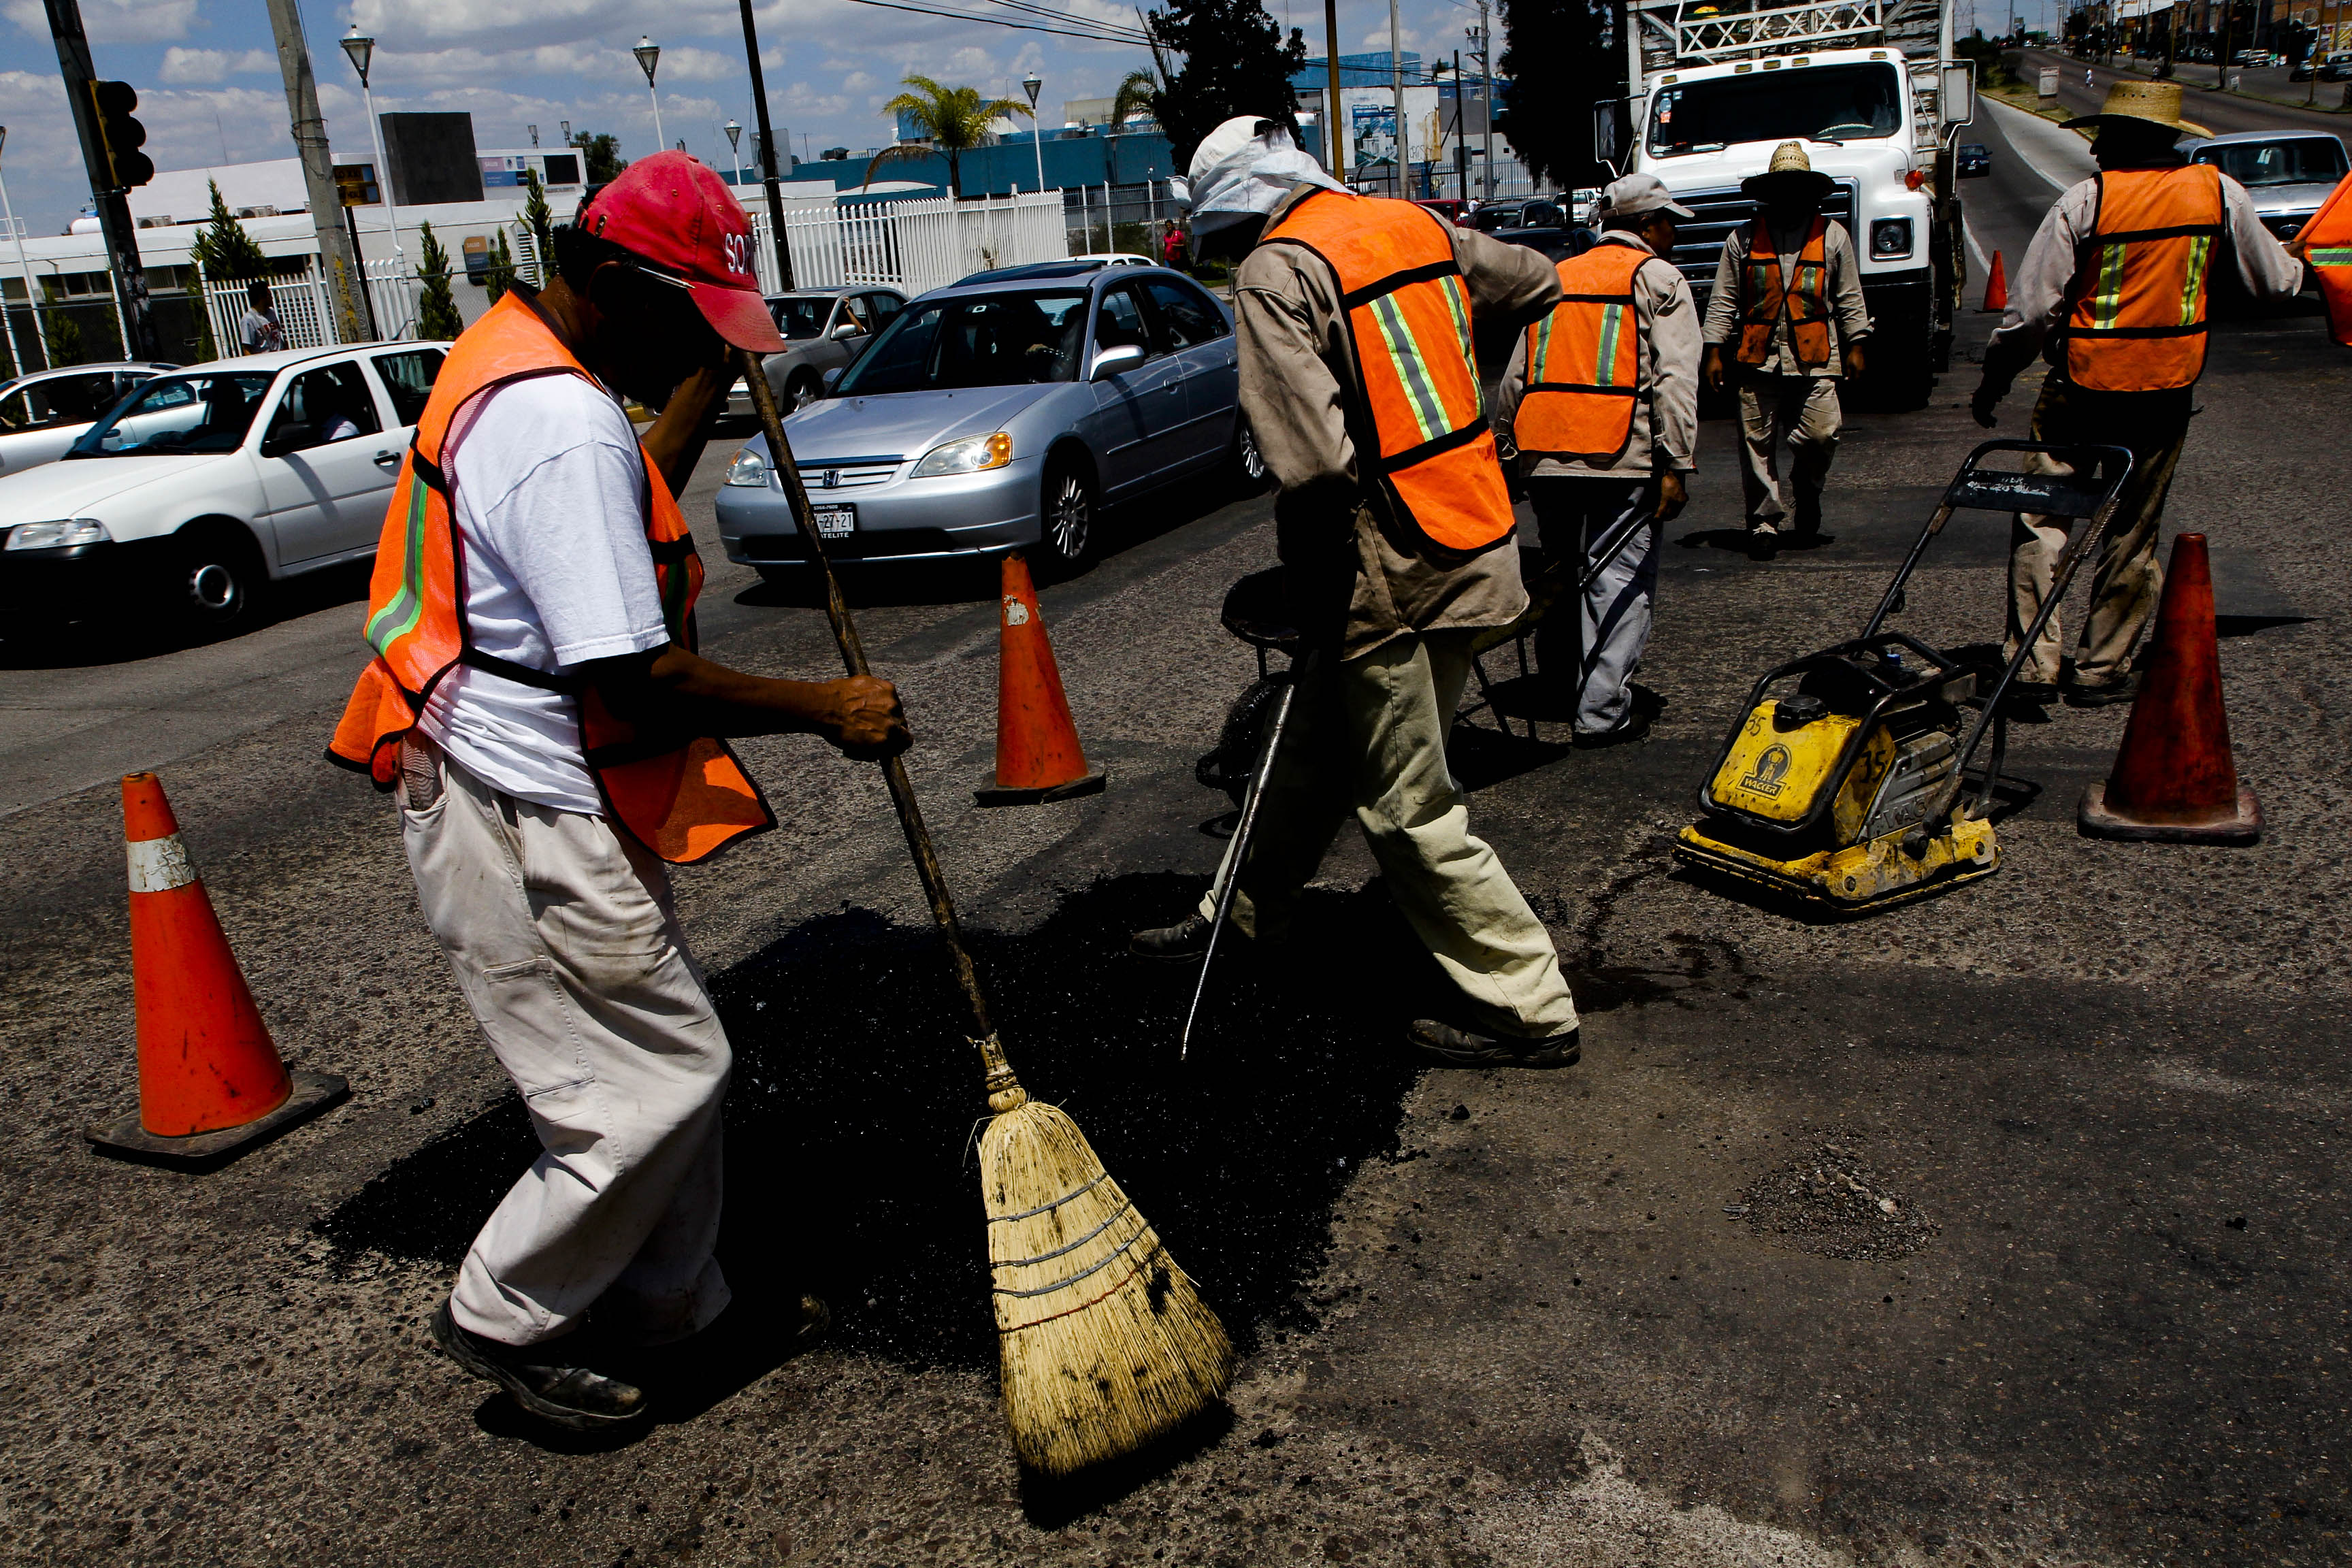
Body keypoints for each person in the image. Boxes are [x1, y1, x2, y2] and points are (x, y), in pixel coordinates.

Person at [329, 153, 908, 1431]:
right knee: (650, 1078)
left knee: (669, 1052)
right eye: (693, 318)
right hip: (507, 800)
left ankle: (675, 1308)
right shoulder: (557, 420)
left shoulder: (518, 357)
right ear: (611, 284)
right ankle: (503, 1304)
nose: (709, 341)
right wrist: (829, 707)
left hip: (518, 776)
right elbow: (633, 673)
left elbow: (612, 490)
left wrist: (704, 380)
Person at [1128, 116, 1582, 1070]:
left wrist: (1315, 580)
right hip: (1474, 534)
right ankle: (1241, 917)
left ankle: (1530, 1005)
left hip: (1387, 570)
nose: (1227, 253)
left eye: (1221, 236)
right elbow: (1538, 281)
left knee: (1406, 805)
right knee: (1305, 753)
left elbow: (1318, 464)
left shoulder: (1275, 273)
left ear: (1240, 214)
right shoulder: (1411, 226)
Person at [1971, 80, 2301, 706]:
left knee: (2043, 518)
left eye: (2103, 138)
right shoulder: (2218, 194)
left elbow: (2032, 313)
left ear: (2120, 140)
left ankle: (2034, 667)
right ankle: (2100, 669)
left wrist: (1995, 379)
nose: (2095, 151)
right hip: (2164, 389)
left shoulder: (2085, 202)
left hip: (2081, 388)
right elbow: (2276, 285)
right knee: (2132, 529)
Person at [1494, 174, 1700, 745]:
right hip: (1619, 457)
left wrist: (1508, 451)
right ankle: (1601, 713)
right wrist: (1676, 463)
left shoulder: (1557, 276)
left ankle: (1560, 685)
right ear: (1644, 226)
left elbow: (1516, 375)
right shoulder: (1659, 279)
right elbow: (1676, 381)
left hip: (1548, 457)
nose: (1674, 233)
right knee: (1619, 582)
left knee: (1560, 577)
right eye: (1668, 222)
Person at [1701, 142, 1870, 546]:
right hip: (1756, 358)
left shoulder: (1833, 237)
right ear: (1768, 192)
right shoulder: (1742, 240)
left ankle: (1808, 488)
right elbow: (1724, 298)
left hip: (1816, 357)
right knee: (1755, 445)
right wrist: (1713, 351)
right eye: (1782, 187)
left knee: (1821, 435)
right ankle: (1764, 522)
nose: (1790, 196)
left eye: (1798, 187)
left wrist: (1856, 344)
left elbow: (1848, 296)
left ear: (1811, 192)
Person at [239, 278, 285, 355]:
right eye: (269, 295)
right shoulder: (249, 319)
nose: (272, 298)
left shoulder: (271, 312)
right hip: (266, 360)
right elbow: (247, 348)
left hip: (280, 356)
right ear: (262, 298)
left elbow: (279, 338)